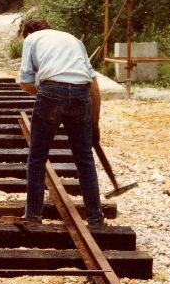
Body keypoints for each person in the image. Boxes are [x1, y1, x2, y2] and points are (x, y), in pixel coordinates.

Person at [18, 18, 105, 227]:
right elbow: (94, 86)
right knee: (84, 158)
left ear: (27, 32)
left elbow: (25, 82)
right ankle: (95, 217)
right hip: (81, 92)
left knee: (38, 157)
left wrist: (49, 94)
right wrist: (95, 123)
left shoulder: (31, 39)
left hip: (51, 90)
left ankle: (33, 216)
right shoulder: (74, 40)